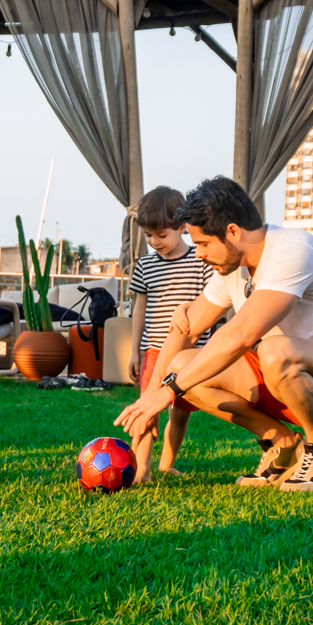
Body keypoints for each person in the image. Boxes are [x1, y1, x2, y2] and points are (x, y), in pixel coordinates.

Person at [115, 176, 313, 492]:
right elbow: (185, 331)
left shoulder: (293, 250)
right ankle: (282, 445)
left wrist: (167, 393)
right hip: (286, 381)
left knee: (274, 351)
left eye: (202, 243)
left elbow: (241, 334)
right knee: (181, 365)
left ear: (232, 232)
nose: (198, 254)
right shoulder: (231, 267)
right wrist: (151, 397)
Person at [127, 186, 213, 482]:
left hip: (192, 352)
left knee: (180, 412)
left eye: (162, 235)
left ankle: (167, 462)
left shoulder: (201, 260)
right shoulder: (146, 265)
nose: (154, 242)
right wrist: (133, 351)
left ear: (182, 227)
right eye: (149, 236)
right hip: (154, 351)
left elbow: (215, 301)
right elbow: (139, 308)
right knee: (148, 410)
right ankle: (141, 469)